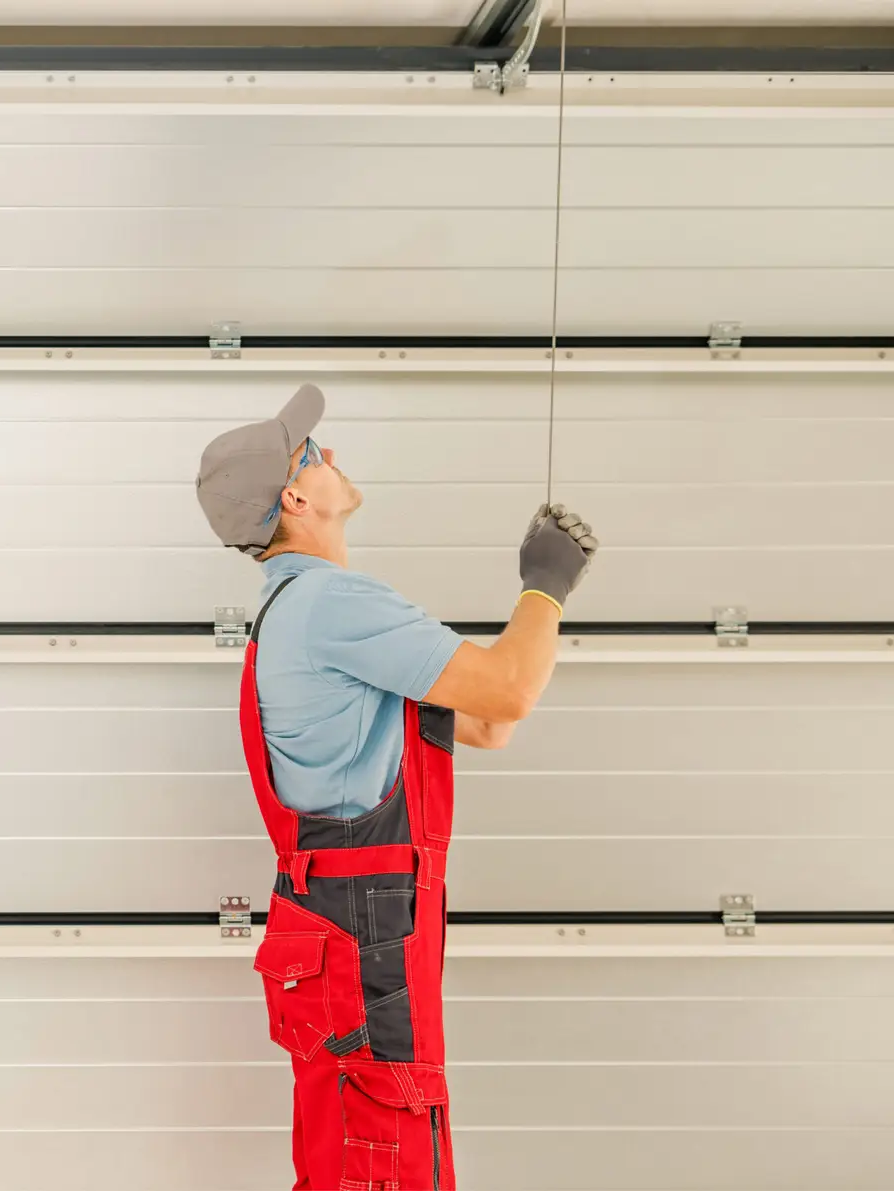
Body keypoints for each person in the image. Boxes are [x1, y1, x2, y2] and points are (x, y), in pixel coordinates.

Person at [194, 383, 598, 1191]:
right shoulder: (332, 602)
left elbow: (486, 723)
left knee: (352, 1149)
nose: (333, 454)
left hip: (341, 924)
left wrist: (533, 613)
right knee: (387, 1151)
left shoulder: (294, 611)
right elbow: (509, 692)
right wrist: (544, 586)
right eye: (314, 453)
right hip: (366, 929)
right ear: (295, 497)